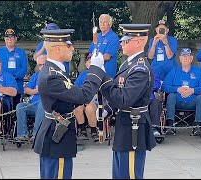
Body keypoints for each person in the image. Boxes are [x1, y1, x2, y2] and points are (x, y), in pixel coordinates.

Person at [33, 28, 106, 179]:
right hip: (56, 138)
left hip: (58, 134)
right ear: (58, 49)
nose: (72, 48)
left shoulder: (56, 71)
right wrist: (95, 69)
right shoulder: (52, 76)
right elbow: (83, 96)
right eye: (69, 45)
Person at [98, 24, 156, 179]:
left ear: (138, 42)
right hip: (125, 125)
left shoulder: (140, 69)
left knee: (129, 173)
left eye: (125, 41)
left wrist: (102, 79)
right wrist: (107, 110)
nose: (121, 43)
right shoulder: (128, 64)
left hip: (133, 128)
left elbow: (124, 99)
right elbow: (119, 90)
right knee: (120, 172)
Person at [161, 48, 201, 135]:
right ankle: (170, 125)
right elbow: (164, 86)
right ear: (180, 59)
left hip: (192, 102)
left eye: (187, 56)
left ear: (191, 58)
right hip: (177, 101)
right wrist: (177, 89)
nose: (185, 58)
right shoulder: (174, 71)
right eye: (183, 56)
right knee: (171, 96)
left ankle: (198, 126)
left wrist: (192, 90)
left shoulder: (198, 71)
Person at [0, 28, 28, 110]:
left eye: (12, 37)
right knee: (1, 108)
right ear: (4, 39)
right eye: (7, 37)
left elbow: (24, 69)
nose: (9, 39)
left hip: (17, 85)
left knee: (16, 109)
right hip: (2, 84)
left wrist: (14, 77)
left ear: (15, 39)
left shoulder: (21, 52)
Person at [14, 60, 45, 142]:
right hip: (33, 104)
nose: (42, 66)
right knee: (20, 106)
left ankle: (36, 134)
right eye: (40, 65)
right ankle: (22, 134)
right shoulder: (36, 76)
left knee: (41, 105)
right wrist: (35, 91)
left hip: (47, 106)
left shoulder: (54, 76)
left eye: (44, 64)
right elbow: (26, 89)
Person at [73, 56, 99, 141]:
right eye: (89, 62)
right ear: (86, 64)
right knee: (77, 107)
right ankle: (82, 130)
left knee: (89, 108)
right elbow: (76, 87)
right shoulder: (83, 74)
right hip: (82, 96)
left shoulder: (100, 74)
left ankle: (93, 130)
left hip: (95, 98)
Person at [87, 14, 120, 78]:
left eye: (105, 22)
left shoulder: (113, 38)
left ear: (110, 24)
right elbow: (90, 52)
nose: (102, 24)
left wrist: (93, 61)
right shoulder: (97, 36)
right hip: (93, 71)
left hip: (105, 74)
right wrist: (88, 60)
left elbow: (107, 56)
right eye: (101, 22)